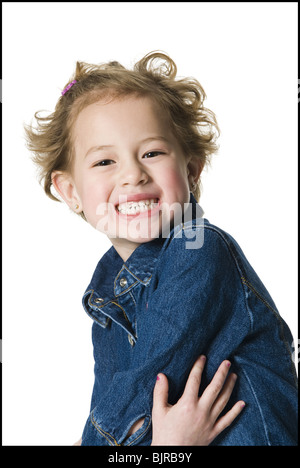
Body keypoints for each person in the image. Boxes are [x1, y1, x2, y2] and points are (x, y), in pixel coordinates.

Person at [25, 51, 297, 446]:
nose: (133, 173)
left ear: (191, 170)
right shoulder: (105, 297)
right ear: (70, 191)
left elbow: (140, 398)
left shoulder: (200, 249)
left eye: (152, 153)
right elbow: (119, 412)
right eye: (104, 161)